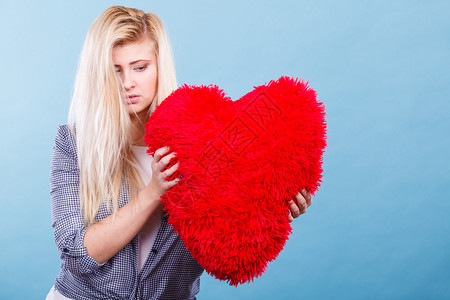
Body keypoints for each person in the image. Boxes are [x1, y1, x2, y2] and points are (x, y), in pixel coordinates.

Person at [47, 5, 312, 300]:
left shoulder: (204, 144)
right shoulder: (73, 144)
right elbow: (76, 255)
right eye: (115, 70)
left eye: (140, 67)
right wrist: (153, 191)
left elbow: (224, 236)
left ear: (160, 66)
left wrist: (270, 205)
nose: (127, 83)